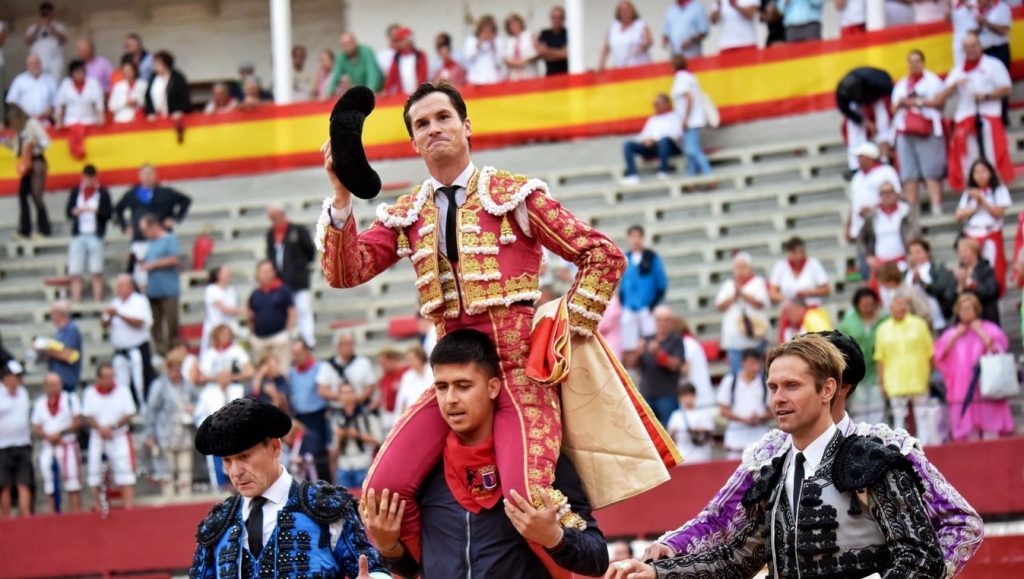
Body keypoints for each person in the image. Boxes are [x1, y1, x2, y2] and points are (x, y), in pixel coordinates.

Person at [317, 80, 625, 570]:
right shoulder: (408, 213)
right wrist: (340, 196)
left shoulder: (514, 196)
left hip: (520, 373)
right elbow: (344, 271)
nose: (434, 128)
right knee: (380, 493)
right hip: (453, 380)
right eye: (422, 123)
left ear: (466, 126)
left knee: (530, 500)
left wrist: (563, 329)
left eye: (443, 117)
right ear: (413, 143)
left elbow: (602, 256)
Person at [644, 331, 984, 576]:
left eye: (792, 385)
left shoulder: (881, 455)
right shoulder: (774, 464)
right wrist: (663, 565)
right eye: (773, 387)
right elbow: (732, 545)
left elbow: (925, 554)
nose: (778, 398)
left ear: (833, 388)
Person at [362, 329, 609, 578]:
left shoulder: (539, 463)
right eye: (442, 387)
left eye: (463, 386)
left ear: (493, 388)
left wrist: (555, 538)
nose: (450, 399)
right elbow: (415, 568)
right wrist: (388, 547)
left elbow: (597, 558)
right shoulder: (422, 469)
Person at [190, 398, 388, 578]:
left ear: (275, 447)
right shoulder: (217, 525)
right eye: (227, 461)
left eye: (244, 457)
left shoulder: (326, 508)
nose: (235, 472)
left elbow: (373, 570)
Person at [927, 32, 1013, 192]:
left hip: (988, 117)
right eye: (967, 47)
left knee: (993, 157)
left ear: (980, 46)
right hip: (966, 120)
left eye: (974, 46)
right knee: (970, 161)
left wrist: (986, 95)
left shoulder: (993, 65)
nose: (971, 50)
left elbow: (1007, 88)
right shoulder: (958, 70)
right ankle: (973, 196)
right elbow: (939, 98)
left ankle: (998, 193)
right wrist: (954, 86)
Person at [935, 293, 1014, 441]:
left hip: (986, 382)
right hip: (962, 384)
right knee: (969, 429)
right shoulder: (951, 333)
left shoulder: (990, 328)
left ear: (976, 309)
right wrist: (955, 337)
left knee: (991, 425)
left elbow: (999, 349)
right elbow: (939, 355)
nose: (966, 312)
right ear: (957, 312)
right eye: (963, 309)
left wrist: (981, 333)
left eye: (969, 308)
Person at [115, 164, 191, 289]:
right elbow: (118, 209)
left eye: (150, 174)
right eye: (144, 174)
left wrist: (175, 218)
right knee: (141, 275)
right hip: (140, 239)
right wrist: (125, 226)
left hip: (161, 238)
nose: (147, 177)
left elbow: (186, 200)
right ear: (140, 176)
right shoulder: (132, 194)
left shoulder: (165, 192)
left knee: (161, 272)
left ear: (155, 175)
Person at [891, 50, 947, 213]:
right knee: (909, 173)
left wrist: (916, 102)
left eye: (917, 61)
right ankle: (912, 211)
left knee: (931, 170)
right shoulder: (902, 84)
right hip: (904, 129)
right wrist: (902, 103)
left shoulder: (932, 81)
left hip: (927, 128)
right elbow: (893, 108)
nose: (914, 65)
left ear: (923, 62)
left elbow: (939, 102)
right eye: (911, 62)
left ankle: (936, 206)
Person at [874, 291, 935, 439]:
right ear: (890, 307)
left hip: (918, 376)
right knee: (899, 417)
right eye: (898, 304)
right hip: (894, 379)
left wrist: (929, 374)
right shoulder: (883, 329)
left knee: (922, 416)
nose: (901, 307)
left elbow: (930, 352)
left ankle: (926, 449)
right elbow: (879, 357)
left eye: (904, 304)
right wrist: (881, 382)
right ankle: (902, 452)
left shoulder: (919, 324)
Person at [82, 362, 137, 510]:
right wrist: (101, 428)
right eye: (106, 377)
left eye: (112, 376)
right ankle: (98, 506)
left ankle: (128, 508)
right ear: (98, 378)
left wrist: (113, 426)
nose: (109, 380)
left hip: (118, 436)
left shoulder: (123, 391)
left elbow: (129, 413)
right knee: (95, 473)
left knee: (125, 473)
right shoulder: (90, 393)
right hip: (98, 437)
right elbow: (88, 416)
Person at [144, 350, 197, 499]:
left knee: (185, 472)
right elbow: (151, 410)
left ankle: (185, 503)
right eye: (173, 368)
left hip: (185, 434)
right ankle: (169, 502)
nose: (176, 372)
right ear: (167, 368)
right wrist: (150, 433)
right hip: (165, 434)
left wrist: (193, 407)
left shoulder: (187, 384)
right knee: (167, 474)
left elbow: (199, 400)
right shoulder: (159, 385)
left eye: (178, 368)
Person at [955, 158, 1011, 296]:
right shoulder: (969, 193)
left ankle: (994, 297)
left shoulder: (999, 190)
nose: (980, 175)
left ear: (990, 173)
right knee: (973, 269)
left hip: (991, 232)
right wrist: (975, 206)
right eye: (976, 172)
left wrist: (982, 200)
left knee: (993, 269)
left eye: (983, 171)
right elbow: (959, 214)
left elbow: (998, 212)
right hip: (972, 234)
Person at [31, 372, 82, 513]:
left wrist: (60, 433)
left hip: (66, 445)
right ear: (45, 386)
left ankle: (75, 514)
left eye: (57, 384)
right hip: (49, 446)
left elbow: (77, 421)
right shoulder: (40, 403)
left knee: (72, 482)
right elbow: (35, 426)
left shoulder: (70, 399)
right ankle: (55, 514)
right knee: (50, 484)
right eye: (51, 385)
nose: (55, 388)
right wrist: (48, 436)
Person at [266, 204, 316, 348]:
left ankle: (308, 340)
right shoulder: (271, 234)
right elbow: (270, 254)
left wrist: (301, 266)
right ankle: (293, 340)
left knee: (303, 308)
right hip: (281, 280)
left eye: (276, 216)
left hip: (298, 278)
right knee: (288, 311)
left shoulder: (297, 230)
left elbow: (309, 250)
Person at [104, 273, 155, 409]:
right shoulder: (114, 303)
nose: (119, 289)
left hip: (137, 349)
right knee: (122, 385)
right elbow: (103, 324)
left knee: (141, 382)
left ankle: (144, 408)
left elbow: (140, 323)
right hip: (120, 351)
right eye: (118, 286)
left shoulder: (140, 301)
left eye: (122, 286)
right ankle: (126, 409)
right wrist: (109, 316)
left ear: (130, 286)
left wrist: (119, 314)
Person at [620, 225, 669, 366]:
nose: (635, 240)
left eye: (638, 237)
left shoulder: (651, 257)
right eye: (632, 237)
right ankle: (631, 370)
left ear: (642, 238)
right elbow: (622, 285)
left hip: (646, 307)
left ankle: (651, 366)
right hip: (629, 307)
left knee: (650, 339)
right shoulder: (625, 258)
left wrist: (652, 305)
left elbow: (661, 283)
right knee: (628, 344)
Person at [715, 251, 770, 376]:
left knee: (757, 374)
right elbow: (719, 305)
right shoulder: (728, 285)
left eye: (743, 267)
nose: (740, 271)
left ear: (750, 268)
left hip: (754, 337)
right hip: (733, 339)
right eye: (738, 267)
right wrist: (734, 296)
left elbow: (761, 303)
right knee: (737, 375)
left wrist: (743, 294)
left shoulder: (758, 282)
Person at [838, 288, 886, 424]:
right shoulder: (848, 322)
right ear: (857, 305)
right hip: (856, 370)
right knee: (859, 406)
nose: (867, 308)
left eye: (870, 304)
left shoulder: (883, 319)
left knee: (878, 405)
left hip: (877, 370)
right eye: (864, 305)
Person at [633, 306, 687, 426]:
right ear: (654, 321)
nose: (662, 323)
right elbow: (632, 365)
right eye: (659, 320)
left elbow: (676, 365)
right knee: (648, 431)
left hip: (667, 395)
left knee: (669, 430)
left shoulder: (676, 340)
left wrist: (659, 354)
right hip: (647, 394)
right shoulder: (646, 339)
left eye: (666, 320)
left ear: (671, 322)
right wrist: (637, 353)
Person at [65, 165, 112, 302]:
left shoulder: (102, 192)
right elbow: (68, 212)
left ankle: (97, 301)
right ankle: (76, 302)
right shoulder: (76, 191)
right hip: (79, 234)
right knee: (75, 271)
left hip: (95, 234)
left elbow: (108, 213)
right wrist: (75, 212)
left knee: (96, 271)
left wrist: (95, 211)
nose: (89, 180)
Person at [6, 103, 51, 240]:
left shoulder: (32, 124)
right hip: (26, 164)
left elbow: (46, 141)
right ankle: (25, 228)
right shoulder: (19, 130)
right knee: (22, 194)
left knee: (36, 195)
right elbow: (17, 150)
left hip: (37, 162)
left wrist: (35, 143)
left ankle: (44, 229)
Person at [837, 67, 895, 171]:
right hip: (856, 104)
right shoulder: (842, 91)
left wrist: (893, 109)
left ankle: (885, 159)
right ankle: (855, 166)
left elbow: (892, 91)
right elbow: (845, 110)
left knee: (883, 121)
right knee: (854, 128)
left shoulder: (876, 80)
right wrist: (864, 122)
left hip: (877, 96)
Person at [138, 214, 181, 356]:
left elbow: (174, 259)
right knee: (155, 324)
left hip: (168, 289)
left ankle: (173, 351)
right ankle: (161, 352)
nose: (144, 234)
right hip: (153, 290)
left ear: (154, 226)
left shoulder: (169, 239)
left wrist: (154, 265)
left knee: (171, 322)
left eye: (145, 230)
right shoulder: (149, 243)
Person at [717, 349, 771, 458]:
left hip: (759, 435)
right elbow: (723, 410)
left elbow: (774, 410)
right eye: (751, 363)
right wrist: (743, 419)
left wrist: (759, 418)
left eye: (757, 363)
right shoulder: (730, 381)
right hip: (736, 436)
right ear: (743, 363)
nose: (754, 367)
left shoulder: (766, 383)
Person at [857, 181, 918, 277]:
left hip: (903, 261)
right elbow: (861, 238)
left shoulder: (906, 212)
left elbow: (916, 235)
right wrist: (868, 256)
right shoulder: (872, 216)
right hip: (880, 263)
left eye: (890, 192)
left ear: (896, 194)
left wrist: (912, 254)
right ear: (879, 196)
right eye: (883, 193)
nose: (887, 195)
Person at [621, 94, 683, 184]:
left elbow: (675, 134)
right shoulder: (653, 119)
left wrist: (655, 140)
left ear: (667, 104)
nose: (655, 106)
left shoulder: (675, 117)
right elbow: (643, 135)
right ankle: (632, 175)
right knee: (628, 144)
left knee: (664, 141)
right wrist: (645, 140)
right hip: (652, 147)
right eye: (654, 104)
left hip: (670, 147)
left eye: (658, 104)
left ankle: (664, 171)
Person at [316, 332, 378, 420]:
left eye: (351, 343)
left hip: (359, 409)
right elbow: (322, 390)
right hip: (337, 410)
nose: (349, 346)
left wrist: (357, 398)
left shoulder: (363, 362)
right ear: (338, 346)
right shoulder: (327, 365)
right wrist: (342, 398)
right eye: (345, 343)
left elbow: (370, 385)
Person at [247, 260, 296, 369]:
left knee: (282, 369)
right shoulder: (255, 293)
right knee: (261, 370)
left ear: (273, 272)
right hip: (259, 339)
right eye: (263, 271)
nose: (266, 274)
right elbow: (250, 315)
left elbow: (292, 312)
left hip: (279, 337)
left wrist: (287, 333)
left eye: (268, 271)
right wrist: (251, 334)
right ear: (258, 274)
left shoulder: (283, 290)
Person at [333, 383, 382, 488]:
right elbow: (335, 449)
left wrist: (358, 435)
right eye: (343, 393)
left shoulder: (366, 415)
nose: (347, 396)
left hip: (363, 463)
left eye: (349, 392)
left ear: (355, 394)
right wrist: (341, 437)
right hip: (344, 464)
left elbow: (378, 440)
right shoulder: (337, 418)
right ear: (339, 396)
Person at [670, 55, 713, 177]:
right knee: (691, 150)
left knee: (692, 149)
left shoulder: (681, 78)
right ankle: (691, 176)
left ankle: (709, 173)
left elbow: (689, 99)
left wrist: (686, 118)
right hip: (693, 118)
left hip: (690, 119)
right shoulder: (689, 76)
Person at [0, 359, 33, 517]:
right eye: (17, 376)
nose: (20, 379)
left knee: (23, 483)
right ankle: (6, 519)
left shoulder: (23, 393)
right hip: (2, 445)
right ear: (7, 376)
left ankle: (25, 517)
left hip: (22, 443)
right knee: (4, 485)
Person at [55, 59, 105, 159]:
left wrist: (101, 117)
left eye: (82, 71)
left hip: (89, 120)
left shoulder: (93, 83)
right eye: (77, 72)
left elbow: (99, 102)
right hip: (70, 121)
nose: (80, 74)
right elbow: (60, 104)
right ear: (72, 74)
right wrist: (58, 121)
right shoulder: (65, 84)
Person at [905, 238, 957, 332]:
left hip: (938, 321)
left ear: (927, 252)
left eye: (918, 252)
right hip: (913, 325)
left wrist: (922, 283)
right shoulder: (906, 273)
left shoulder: (937, 268)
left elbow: (941, 289)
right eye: (911, 253)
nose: (915, 256)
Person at [768, 236, 830, 307]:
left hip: (811, 308)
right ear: (789, 253)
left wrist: (809, 292)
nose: (799, 257)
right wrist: (786, 300)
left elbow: (826, 289)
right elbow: (772, 293)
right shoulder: (780, 266)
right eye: (795, 253)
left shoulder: (813, 264)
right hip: (789, 310)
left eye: (801, 253)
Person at [37, 301, 83, 393]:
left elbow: (67, 355)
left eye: (52, 314)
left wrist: (46, 350)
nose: (52, 317)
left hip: (66, 379)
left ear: (59, 314)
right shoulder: (60, 331)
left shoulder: (71, 329)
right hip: (57, 378)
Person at [954, 236, 1001, 326]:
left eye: (964, 251)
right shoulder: (960, 271)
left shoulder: (986, 269)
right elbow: (950, 297)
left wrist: (971, 284)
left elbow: (992, 292)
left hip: (986, 318)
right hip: (965, 322)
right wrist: (960, 285)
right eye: (959, 252)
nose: (962, 255)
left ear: (974, 252)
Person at [289, 339, 328, 443]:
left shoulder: (319, 367)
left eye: (299, 353)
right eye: (294, 354)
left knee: (316, 443)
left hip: (317, 415)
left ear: (307, 352)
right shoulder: (292, 371)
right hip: (300, 415)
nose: (296, 357)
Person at [666, 382, 714, 463]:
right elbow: (669, 436)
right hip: (682, 456)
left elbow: (710, 432)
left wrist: (699, 431)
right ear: (679, 398)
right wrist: (673, 432)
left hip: (701, 456)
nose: (687, 399)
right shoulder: (676, 415)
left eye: (689, 395)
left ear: (694, 396)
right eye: (684, 396)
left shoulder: (703, 413)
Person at [599, 1, 653, 71]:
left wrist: (643, 46)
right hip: (621, 69)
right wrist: (601, 64)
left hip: (640, 68)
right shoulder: (613, 27)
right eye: (622, 10)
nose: (625, 12)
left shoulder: (640, 25)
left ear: (632, 11)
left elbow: (649, 40)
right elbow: (606, 47)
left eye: (627, 10)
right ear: (618, 13)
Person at [327, 32, 384, 97]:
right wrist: (328, 93)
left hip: (377, 91)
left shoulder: (366, 51)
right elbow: (335, 75)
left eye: (348, 44)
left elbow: (372, 72)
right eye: (343, 45)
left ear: (355, 42)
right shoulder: (341, 57)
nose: (346, 47)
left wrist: (370, 90)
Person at [197, 324, 254, 389]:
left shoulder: (237, 351)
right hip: (213, 387)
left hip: (234, 386)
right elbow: (202, 377)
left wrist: (231, 377)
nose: (226, 336)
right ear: (216, 335)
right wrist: (219, 378)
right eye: (223, 334)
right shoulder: (208, 354)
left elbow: (250, 372)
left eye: (228, 334)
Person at [201, 265, 241, 354]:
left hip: (229, 327)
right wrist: (241, 310)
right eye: (225, 272)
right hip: (215, 326)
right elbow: (224, 309)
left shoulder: (231, 290)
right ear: (218, 275)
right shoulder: (211, 289)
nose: (228, 274)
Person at [144, 50, 190, 125]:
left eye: (157, 64)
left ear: (165, 64)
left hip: (174, 117)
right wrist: (150, 112)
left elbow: (183, 95)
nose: (155, 66)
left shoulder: (177, 77)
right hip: (156, 117)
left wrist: (180, 111)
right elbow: (147, 95)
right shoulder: (153, 77)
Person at [5, 53, 56, 119]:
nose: (34, 66)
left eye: (36, 63)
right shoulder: (19, 80)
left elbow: (56, 100)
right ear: (27, 66)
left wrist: (51, 108)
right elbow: (11, 101)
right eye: (31, 64)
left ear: (40, 64)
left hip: (45, 121)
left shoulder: (49, 80)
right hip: (25, 121)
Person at [24, 2, 67, 78]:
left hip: (54, 62)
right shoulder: (33, 27)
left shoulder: (59, 25)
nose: (45, 14)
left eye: (47, 12)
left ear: (52, 13)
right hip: (38, 62)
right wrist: (38, 27)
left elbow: (64, 40)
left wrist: (51, 27)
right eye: (43, 12)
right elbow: (27, 41)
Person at [381, 27, 428, 97]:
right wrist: (386, 90)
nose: (397, 43)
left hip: (418, 94)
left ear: (409, 41)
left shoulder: (420, 55)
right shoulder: (396, 57)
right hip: (401, 95)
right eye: (396, 41)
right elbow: (391, 76)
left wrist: (419, 90)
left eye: (400, 40)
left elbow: (423, 75)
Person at [394, 346, 433, 422]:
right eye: (408, 360)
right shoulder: (407, 376)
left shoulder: (432, 371)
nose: (409, 362)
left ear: (420, 358)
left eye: (412, 359)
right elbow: (402, 400)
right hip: (413, 417)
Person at [464, 15, 504, 86]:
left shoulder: (498, 40)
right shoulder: (471, 39)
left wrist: (493, 44)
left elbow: (499, 61)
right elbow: (469, 58)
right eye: (485, 27)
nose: (487, 30)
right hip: (476, 79)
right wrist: (479, 43)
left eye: (490, 27)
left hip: (494, 79)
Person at [502, 13, 539, 81]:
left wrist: (525, 61)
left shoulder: (530, 35)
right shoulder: (508, 40)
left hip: (529, 74)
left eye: (515, 23)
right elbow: (505, 58)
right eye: (510, 24)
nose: (513, 26)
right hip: (513, 77)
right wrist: (516, 63)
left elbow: (537, 53)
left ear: (521, 23)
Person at [108, 58, 146, 123]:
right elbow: (111, 106)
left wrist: (137, 102)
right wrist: (125, 103)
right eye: (125, 71)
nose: (127, 73)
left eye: (129, 70)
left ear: (134, 71)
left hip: (138, 119)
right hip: (121, 119)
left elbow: (147, 103)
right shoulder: (118, 86)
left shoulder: (143, 84)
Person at [538, 6, 571, 75]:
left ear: (563, 19)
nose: (556, 20)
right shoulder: (544, 33)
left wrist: (548, 51)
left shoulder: (568, 33)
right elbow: (542, 52)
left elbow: (566, 54)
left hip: (566, 74)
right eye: (554, 18)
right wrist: (559, 53)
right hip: (550, 75)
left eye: (559, 18)